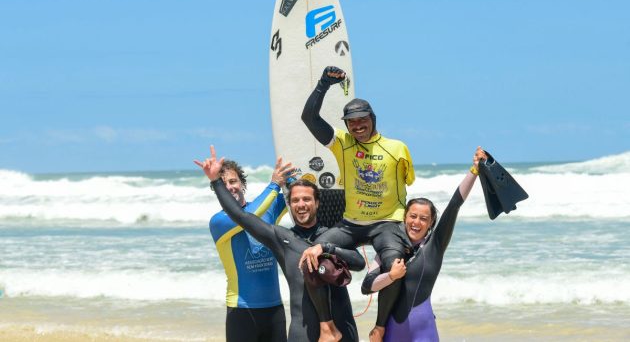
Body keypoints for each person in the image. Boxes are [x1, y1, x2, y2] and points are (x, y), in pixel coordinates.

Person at [195, 146, 365, 342]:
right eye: (295, 201)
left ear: (317, 203)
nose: (301, 204)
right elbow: (241, 216)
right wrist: (216, 181)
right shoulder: (281, 239)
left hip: (334, 326)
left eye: (307, 199)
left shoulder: (333, 235)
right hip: (283, 323)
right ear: (289, 205)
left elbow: (359, 262)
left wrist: (326, 247)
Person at [300, 66, 415, 341]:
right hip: (351, 224)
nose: (357, 126)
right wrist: (324, 84)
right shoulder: (343, 143)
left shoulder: (397, 148)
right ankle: (328, 328)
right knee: (309, 259)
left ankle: (379, 328)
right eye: (351, 122)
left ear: (372, 119)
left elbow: (408, 184)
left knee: (395, 266)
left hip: (387, 223)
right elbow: (309, 117)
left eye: (363, 120)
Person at [361, 147, 486, 342]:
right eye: (412, 216)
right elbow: (367, 286)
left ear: (430, 223)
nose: (416, 222)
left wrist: (475, 170)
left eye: (423, 218)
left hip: (423, 329)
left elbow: (454, 204)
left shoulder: (435, 246)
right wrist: (391, 276)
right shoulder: (390, 248)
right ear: (405, 217)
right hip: (393, 329)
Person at [205, 155, 293, 342]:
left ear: (242, 183)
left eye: (233, 181)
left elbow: (295, 195)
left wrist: (290, 173)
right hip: (242, 310)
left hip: (275, 309)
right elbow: (248, 216)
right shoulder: (219, 222)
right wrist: (273, 184)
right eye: (223, 183)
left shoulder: (268, 208)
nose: (229, 187)